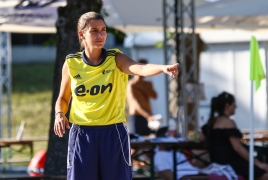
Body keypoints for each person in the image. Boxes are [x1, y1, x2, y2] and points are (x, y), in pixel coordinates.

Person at [53, 12, 179, 180]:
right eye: (94, 30)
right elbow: (63, 98)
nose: (100, 35)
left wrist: (163, 68)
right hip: (82, 134)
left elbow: (139, 68)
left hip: (113, 133)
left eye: (103, 30)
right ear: (81, 34)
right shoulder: (71, 63)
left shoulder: (116, 58)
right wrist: (59, 114)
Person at [200, 91, 268, 180]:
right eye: (234, 104)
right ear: (227, 105)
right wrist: (258, 163)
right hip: (230, 163)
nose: (236, 107)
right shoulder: (228, 123)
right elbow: (238, 148)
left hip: (216, 162)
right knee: (263, 174)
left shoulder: (211, 122)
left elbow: (200, 137)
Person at [127, 59, 158, 136]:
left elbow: (154, 96)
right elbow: (135, 104)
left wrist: (141, 86)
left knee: (151, 141)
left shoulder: (147, 84)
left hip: (148, 116)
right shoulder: (131, 85)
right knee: (136, 143)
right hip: (137, 117)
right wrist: (147, 116)